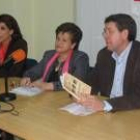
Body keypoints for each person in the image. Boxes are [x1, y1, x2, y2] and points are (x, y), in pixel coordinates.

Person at [78, 13, 140, 112]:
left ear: (124, 34)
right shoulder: (104, 55)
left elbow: (137, 97)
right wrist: (78, 92)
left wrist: (105, 104)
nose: (105, 36)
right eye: (104, 31)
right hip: (108, 112)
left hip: (132, 113)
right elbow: (93, 81)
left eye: (110, 32)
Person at [21, 22, 89, 91]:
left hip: (67, 98)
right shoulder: (49, 55)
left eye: (64, 40)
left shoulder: (80, 58)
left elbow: (76, 84)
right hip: (47, 95)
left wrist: (51, 85)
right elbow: (35, 71)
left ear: (73, 45)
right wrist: (27, 77)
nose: (59, 43)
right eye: (58, 39)